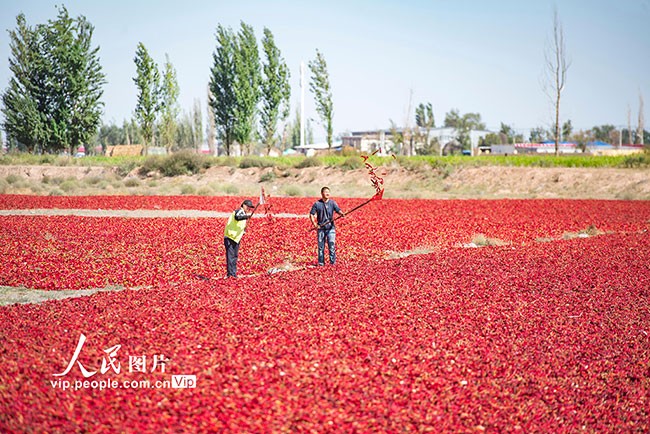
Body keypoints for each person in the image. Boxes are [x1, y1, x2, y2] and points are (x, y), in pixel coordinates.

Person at [309, 186, 345, 266]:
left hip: (330, 228)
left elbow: (338, 210)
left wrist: (341, 213)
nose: (327, 193)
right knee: (321, 247)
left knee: (331, 245)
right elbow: (311, 214)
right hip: (321, 228)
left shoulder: (332, 203)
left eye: (328, 192)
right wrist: (315, 224)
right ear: (322, 193)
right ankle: (321, 263)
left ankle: (333, 263)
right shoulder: (317, 204)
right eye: (325, 192)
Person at [224, 199, 255, 278]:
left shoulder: (243, 214)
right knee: (231, 256)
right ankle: (230, 274)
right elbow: (237, 217)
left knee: (234, 256)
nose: (249, 209)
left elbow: (239, 225)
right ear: (243, 205)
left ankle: (233, 274)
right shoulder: (239, 211)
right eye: (248, 206)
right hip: (230, 237)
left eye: (250, 207)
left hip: (236, 238)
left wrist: (243, 231)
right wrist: (247, 216)